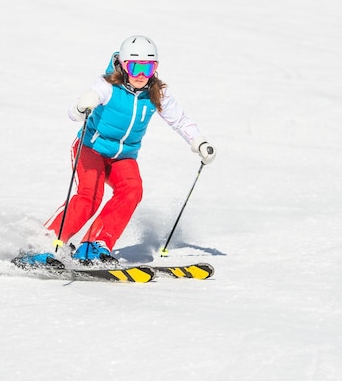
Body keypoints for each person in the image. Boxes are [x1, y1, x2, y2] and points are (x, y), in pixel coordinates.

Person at [21, 35, 216, 267]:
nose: (141, 75)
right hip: (91, 148)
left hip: (123, 156)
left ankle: (94, 245)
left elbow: (181, 121)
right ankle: (44, 242)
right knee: (89, 197)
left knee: (132, 190)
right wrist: (83, 104)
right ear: (123, 65)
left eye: (148, 67)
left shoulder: (156, 93)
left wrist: (199, 142)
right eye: (135, 67)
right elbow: (74, 114)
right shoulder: (107, 86)